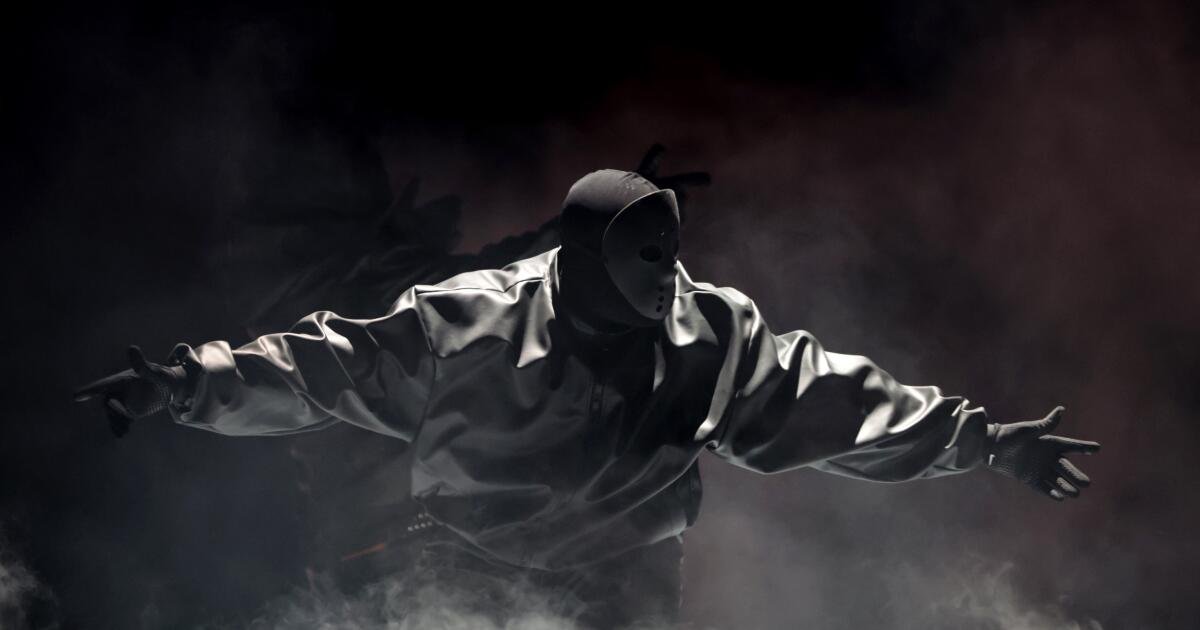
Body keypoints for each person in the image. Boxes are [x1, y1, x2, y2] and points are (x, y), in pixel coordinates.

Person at [75, 168, 1100, 629]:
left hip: (628, 579)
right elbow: (321, 365)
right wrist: (185, 383)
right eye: (644, 257)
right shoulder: (468, 324)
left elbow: (828, 399)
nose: (667, 275)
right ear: (582, 262)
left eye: (672, 253)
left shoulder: (709, 332)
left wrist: (986, 441)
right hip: (467, 566)